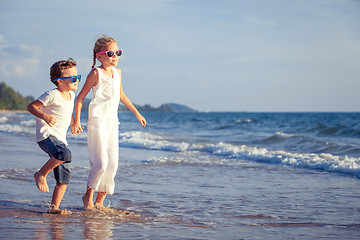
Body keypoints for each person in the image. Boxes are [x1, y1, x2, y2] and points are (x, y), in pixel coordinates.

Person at [74, 35, 146, 210]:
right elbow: (80, 97)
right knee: (100, 164)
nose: (115, 56)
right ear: (99, 56)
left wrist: (136, 112)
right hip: (97, 122)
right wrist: (76, 120)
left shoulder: (118, 72)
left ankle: (100, 202)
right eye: (111, 53)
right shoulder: (95, 73)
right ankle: (88, 196)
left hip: (113, 123)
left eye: (118, 52)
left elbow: (121, 95)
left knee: (112, 165)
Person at [27, 58, 81, 214]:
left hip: (60, 139)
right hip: (46, 136)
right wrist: (45, 116)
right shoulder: (51, 94)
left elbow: (67, 111)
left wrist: (73, 123)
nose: (76, 80)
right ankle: (40, 174)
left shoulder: (71, 95)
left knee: (64, 176)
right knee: (65, 154)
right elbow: (31, 106)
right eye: (73, 78)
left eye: (78, 77)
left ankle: (54, 208)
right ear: (59, 81)